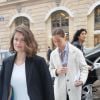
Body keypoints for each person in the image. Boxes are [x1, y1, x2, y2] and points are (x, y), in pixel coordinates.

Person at [0, 25, 54, 100]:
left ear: (29, 41)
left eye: (23, 40)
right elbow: (3, 89)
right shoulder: (6, 63)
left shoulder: (39, 62)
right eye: (16, 39)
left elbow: (48, 90)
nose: (18, 43)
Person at [49, 28, 88, 100]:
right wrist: (56, 71)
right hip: (59, 89)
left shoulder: (76, 51)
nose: (57, 44)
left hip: (74, 87)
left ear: (64, 37)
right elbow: (50, 69)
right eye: (54, 42)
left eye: (59, 41)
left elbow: (84, 68)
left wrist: (82, 80)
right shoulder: (53, 54)